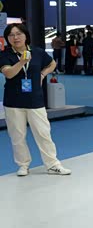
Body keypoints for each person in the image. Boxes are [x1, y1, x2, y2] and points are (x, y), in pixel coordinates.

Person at [0, 24, 71, 176]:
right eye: (11, 35)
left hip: (35, 100)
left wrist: (42, 74)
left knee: (43, 133)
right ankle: (23, 165)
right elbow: (9, 74)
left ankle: (52, 164)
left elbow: (52, 64)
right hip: (13, 101)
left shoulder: (37, 52)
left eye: (19, 34)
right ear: (7, 38)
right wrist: (21, 62)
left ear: (26, 35)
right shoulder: (4, 55)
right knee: (17, 136)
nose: (15, 37)